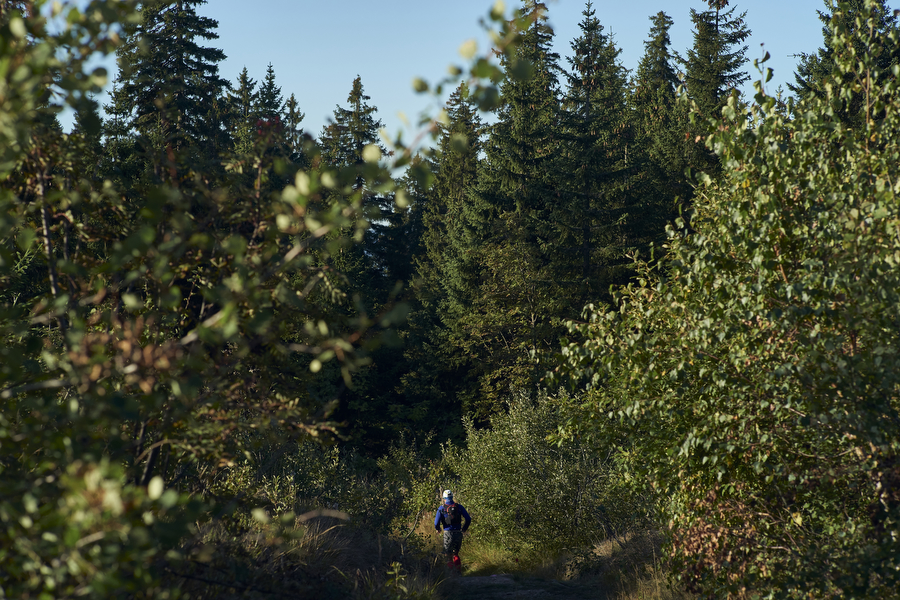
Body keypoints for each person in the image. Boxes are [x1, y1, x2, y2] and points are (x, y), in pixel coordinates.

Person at [434, 489, 471, 568]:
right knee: (456, 554)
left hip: (447, 533)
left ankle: (451, 575)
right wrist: (464, 529)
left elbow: (436, 523)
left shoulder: (441, 508)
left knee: (448, 556)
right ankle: (458, 573)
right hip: (458, 533)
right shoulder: (459, 507)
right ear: (452, 497)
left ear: (444, 498)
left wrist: (438, 529)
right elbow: (468, 519)